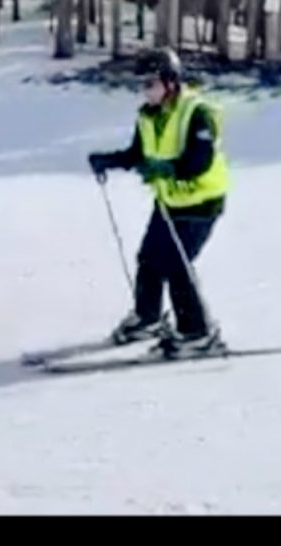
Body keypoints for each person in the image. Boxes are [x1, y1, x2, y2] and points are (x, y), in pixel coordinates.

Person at [87, 48, 230, 359]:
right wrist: (108, 160)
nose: (146, 90)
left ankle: (197, 331)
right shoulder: (147, 116)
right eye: (142, 85)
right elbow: (138, 155)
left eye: (151, 83)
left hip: (202, 201)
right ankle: (147, 317)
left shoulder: (197, 112)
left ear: (170, 82)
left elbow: (200, 161)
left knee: (176, 264)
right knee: (150, 259)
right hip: (171, 201)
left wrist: (168, 169)